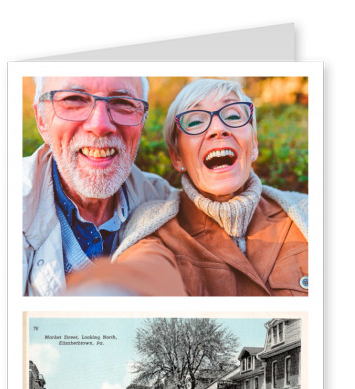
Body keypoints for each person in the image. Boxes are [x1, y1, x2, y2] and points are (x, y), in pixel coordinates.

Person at [66, 78, 308, 296]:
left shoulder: (307, 213)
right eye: (195, 121)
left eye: (233, 116)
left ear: (253, 144)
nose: (218, 129)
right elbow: (144, 271)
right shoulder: (155, 229)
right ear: (177, 157)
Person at [23, 76, 177, 296]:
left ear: (142, 121)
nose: (100, 125)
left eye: (123, 103)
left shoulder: (166, 204)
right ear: (41, 120)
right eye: (74, 99)